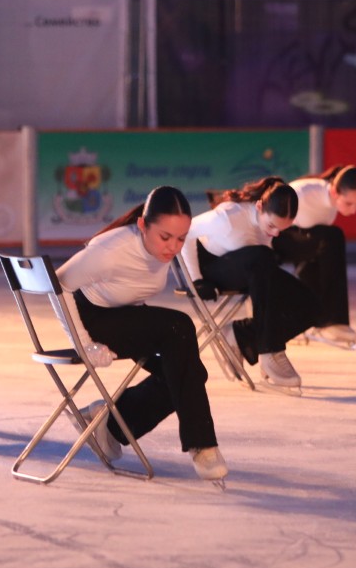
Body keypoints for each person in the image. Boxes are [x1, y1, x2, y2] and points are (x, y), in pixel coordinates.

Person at [55, 185, 228, 481]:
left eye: (181, 238)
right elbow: (58, 283)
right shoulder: (110, 250)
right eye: (165, 237)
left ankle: (109, 424)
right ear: (142, 225)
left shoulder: (162, 247)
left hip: (126, 313)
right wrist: (84, 344)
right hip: (93, 319)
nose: (173, 247)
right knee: (179, 327)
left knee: (189, 375)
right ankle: (202, 445)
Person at [181, 176, 319, 389]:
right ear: (259, 206)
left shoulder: (268, 230)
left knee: (311, 306)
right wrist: (196, 279)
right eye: (271, 225)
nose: (275, 233)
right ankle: (270, 350)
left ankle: (239, 334)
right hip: (213, 268)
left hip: (253, 269)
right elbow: (186, 232)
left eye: (281, 229)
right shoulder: (228, 216)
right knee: (263, 255)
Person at [273, 164, 356, 349]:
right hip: (274, 240)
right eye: (349, 203)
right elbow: (270, 222)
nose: (354, 210)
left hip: (299, 240)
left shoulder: (329, 206)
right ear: (334, 192)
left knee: (324, 245)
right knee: (332, 236)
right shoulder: (304, 192)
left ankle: (314, 319)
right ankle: (333, 320)